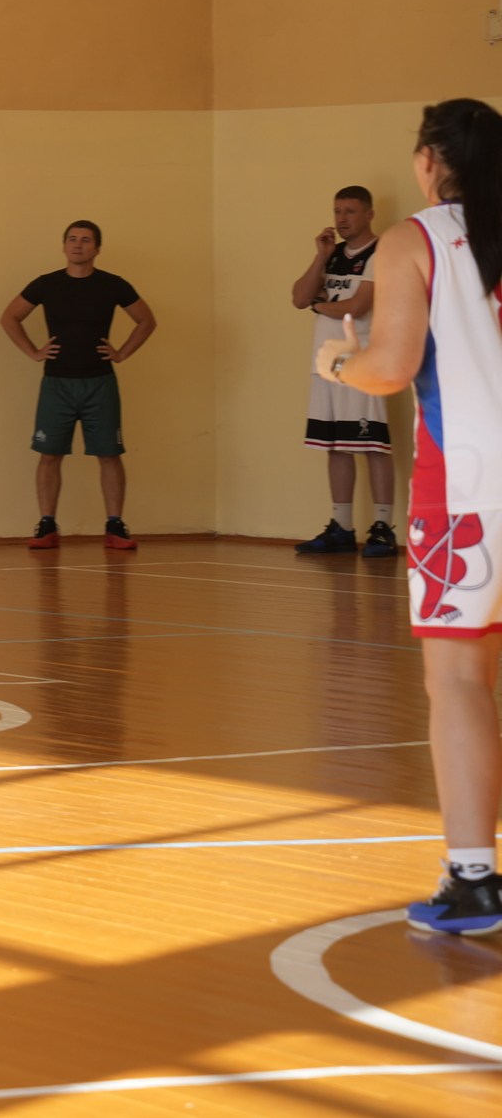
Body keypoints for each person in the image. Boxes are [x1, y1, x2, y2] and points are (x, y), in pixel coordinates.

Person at [314, 100, 502, 935]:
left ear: (429, 160)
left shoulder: (416, 236)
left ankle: (474, 877)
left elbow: (391, 365)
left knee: (459, 680)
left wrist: (340, 361)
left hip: (468, 485)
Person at [0, 222, 157, 551]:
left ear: (97, 249)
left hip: (99, 383)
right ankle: (47, 525)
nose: (78, 245)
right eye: (72, 239)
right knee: (49, 455)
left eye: (86, 240)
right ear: (64, 246)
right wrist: (33, 352)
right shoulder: (47, 284)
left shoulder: (112, 285)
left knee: (109, 455)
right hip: (57, 384)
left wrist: (122, 353)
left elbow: (146, 320)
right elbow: (9, 317)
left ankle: (114, 525)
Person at [291, 186, 396, 556]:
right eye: (337, 211)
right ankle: (342, 526)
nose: (341, 218)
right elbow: (299, 297)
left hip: (363, 362)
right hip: (325, 366)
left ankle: (382, 528)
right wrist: (320, 257)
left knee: (372, 445)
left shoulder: (381, 252)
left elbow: (358, 306)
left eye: (350, 211)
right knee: (335, 446)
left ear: (369, 213)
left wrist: (319, 305)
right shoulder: (332, 254)